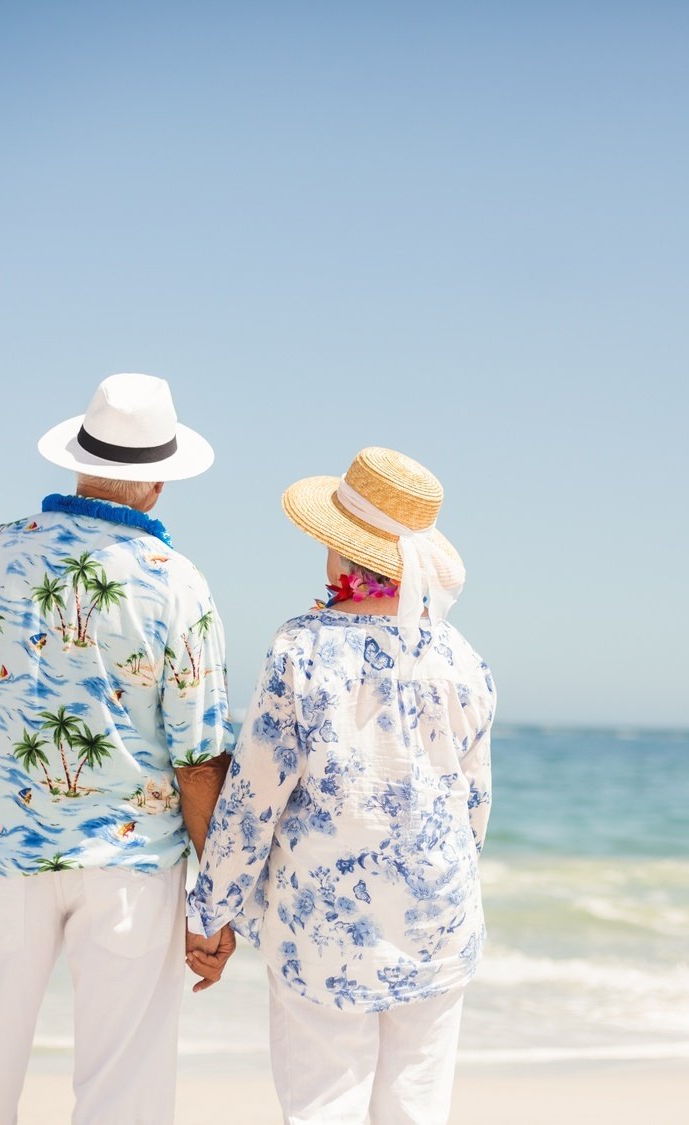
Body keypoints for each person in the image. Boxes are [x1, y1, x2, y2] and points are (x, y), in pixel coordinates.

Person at [0, 372, 238, 1124]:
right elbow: (199, 761)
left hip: (6, 859)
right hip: (132, 874)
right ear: (157, 484)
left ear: (78, 459)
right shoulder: (176, 583)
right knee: (122, 1090)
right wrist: (214, 898)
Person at [188, 446, 496, 1125]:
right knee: (417, 1109)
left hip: (322, 926)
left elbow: (252, 802)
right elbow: (474, 803)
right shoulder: (462, 657)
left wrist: (211, 912)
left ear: (342, 555)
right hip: (437, 921)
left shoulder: (302, 647)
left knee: (323, 1104)